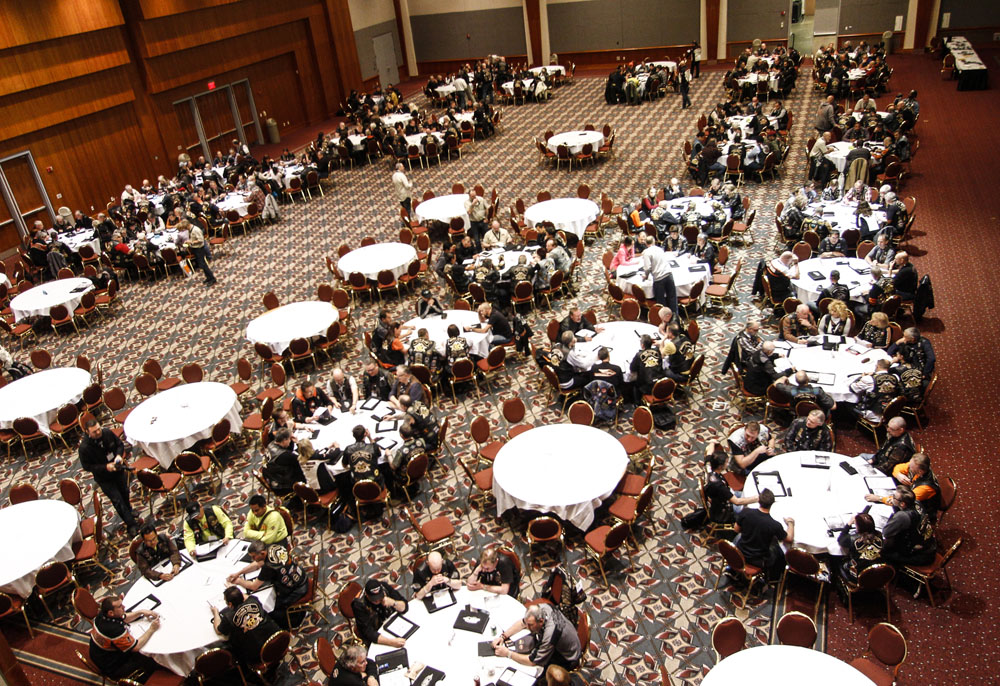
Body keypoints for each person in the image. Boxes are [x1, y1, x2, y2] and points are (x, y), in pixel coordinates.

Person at [78, 418, 139, 536]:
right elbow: (87, 466)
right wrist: (105, 467)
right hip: (104, 478)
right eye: (94, 431)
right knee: (117, 500)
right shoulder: (84, 448)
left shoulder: (106, 433)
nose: (98, 432)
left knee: (125, 492)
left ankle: (129, 511)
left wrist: (119, 456)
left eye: (98, 429)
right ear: (87, 432)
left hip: (118, 470)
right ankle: (131, 524)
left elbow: (119, 445)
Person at [227, 541, 308, 629]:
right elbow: (257, 564)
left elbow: (253, 586)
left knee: (270, 610)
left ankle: (292, 622)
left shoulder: (269, 567)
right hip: (301, 576)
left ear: (262, 553)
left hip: (296, 590)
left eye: (254, 556)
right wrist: (239, 573)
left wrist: (238, 581)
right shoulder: (273, 547)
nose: (252, 559)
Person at [88, 596, 161, 681]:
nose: (124, 607)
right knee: (149, 659)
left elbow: (123, 618)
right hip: (112, 666)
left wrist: (140, 612)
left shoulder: (102, 615)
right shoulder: (114, 630)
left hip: (97, 654)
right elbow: (136, 647)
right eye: (120, 606)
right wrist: (152, 629)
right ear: (111, 613)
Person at [492, 603, 581, 673]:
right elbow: (522, 623)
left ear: (541, 621)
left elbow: (532, 661)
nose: (527, 627)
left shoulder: (549, 636)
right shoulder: (542, 608)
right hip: (562, 640)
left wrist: (508, 653)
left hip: (567, 658)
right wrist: (503, 637)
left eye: (530, 625)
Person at [211, 586, 281, 670]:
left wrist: (215, 612)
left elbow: (218, 630)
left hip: (258, 656)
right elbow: (247, 597)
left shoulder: (229, 617)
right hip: (278, 641)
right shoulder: (254, 600)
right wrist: (236, 593)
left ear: (230, 604)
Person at [865, 485, 936, 567]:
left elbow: (886, 532)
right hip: (929, 545)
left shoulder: (903, 516)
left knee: (882, 552)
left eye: (894, 497)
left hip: (920, 555)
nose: (892, 498)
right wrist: (879, 498)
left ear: (902, 504)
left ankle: (894, 572)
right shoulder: (917, 503)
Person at [735, 488, 794, 581]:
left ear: (759, 500)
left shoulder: (746, 512)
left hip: (739, 553)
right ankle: (774, 579)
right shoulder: (774, 525)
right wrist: (790, 524)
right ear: (772, 504)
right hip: (757, 560)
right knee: (778, 551)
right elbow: (789, 539)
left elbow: (736, 529)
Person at [704, 443, 759, 524]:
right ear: (720, 466)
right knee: (754, 510)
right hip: (725, 509)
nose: (728, 464)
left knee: (749, 492)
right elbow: (737, 502)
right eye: (726, 462)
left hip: (723, 496)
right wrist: (756, 499)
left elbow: (709, 452)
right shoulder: (718, 485)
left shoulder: (709, 468)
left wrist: (712, 443)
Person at [353, 579, 408, 647]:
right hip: (376, 632)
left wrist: (393, 603)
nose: (377, 601)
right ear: (366, 595)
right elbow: (369, 633)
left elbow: (405, 607)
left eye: (380, 598)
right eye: (374, 599)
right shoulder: (359, 604)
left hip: (390, 623)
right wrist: (391, 642)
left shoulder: (385, 587)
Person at [834, 512, 883, 589]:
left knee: (837, 562)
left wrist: (848, 524)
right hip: (878, 573)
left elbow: (840, 539)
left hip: (859, 576)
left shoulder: (852, 539)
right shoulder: (879, 534)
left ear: (858, 527)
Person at [890, 453, 941, 521]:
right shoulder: (917, 467)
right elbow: (897, 467)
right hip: (910, 496)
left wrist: (881, 499)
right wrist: (898, 475)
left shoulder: (926, 488)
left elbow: (903, 500)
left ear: (920, 472)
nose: (908, 466)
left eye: (911, 467)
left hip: (920, 514)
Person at [641, 235, 676, 310]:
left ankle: (663, 316)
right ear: (654, 241)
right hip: (669, 275)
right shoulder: (660, 249)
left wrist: (645, 275)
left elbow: (647, 267)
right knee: (672, 298)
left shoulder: (646, 253)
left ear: (646, 244)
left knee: (661, 302)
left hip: (659, 279)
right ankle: (675, 316)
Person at [185, 220, 216, 286]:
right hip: (196, 248)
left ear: (187, 225)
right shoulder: (191, 230)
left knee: (204, 265)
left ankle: (212, 279)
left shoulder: (195, 230)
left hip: (199, 249)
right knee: (202, 265)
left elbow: (201, 240)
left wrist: (191, 242)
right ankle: (208, 277)